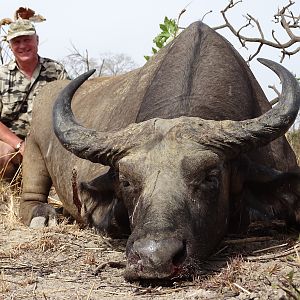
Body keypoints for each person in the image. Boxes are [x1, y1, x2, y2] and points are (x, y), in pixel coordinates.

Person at [0, 19, 69, 179]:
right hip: (13, 144)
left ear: (36, 40)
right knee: (4, 154)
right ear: (10, 46)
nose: (23, 46)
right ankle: (13, 190)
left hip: (49, 141)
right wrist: (20, 145)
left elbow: (72, 107)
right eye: (17, 41)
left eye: (27, 40)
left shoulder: (56, 70)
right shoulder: (2, 75)